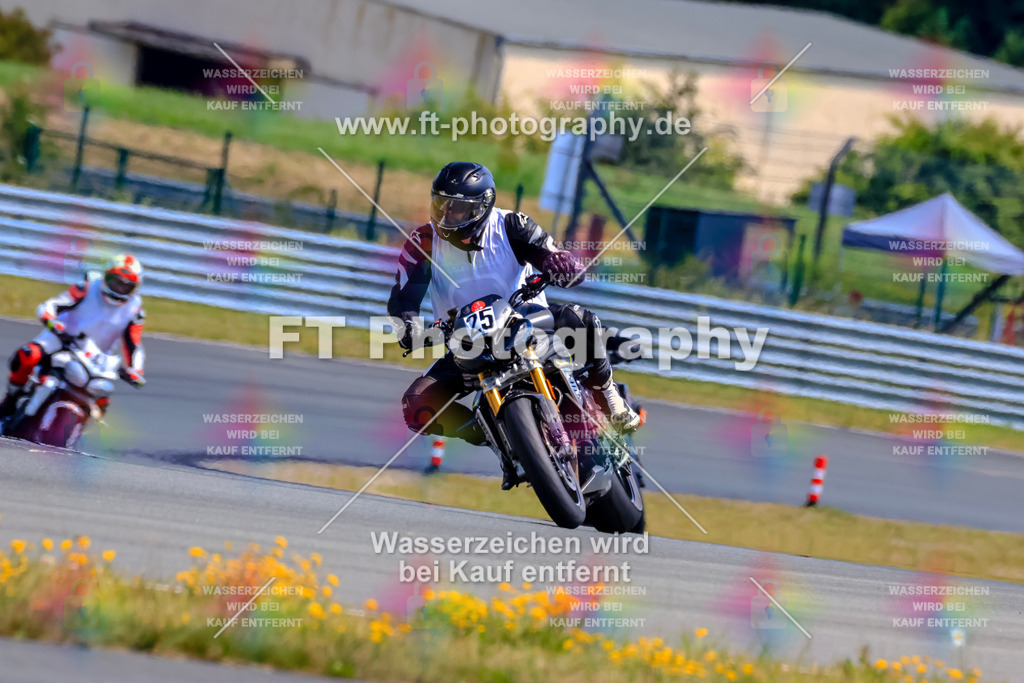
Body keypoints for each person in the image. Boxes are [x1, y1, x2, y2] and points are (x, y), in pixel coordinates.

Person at [388, 162, 639, 485]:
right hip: (467, 342)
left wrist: (560, 265)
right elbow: (402, 298)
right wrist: (408, 327)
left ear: (481, 207)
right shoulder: (422, 241)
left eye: (458, 208)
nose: (448, 214)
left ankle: (610, 399)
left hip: (526, 318)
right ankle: (496, 438)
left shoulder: (511, 224)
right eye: (442, 204)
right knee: (416, 404)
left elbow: (550, 253)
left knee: (581, 319)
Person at [0, 254, 146, 421]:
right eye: (116, 282)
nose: (120, 288)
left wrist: (136, 370)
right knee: (28, 354)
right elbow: (55, 304)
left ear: (135, 287)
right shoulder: (88, 287)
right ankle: (11, 400)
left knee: (102, 397)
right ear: (106, 276)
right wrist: (50, 319)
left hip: (97, 358)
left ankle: (78, 428)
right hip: (64, 338)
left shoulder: (135, 309)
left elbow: (134, 343)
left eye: (126, 286)